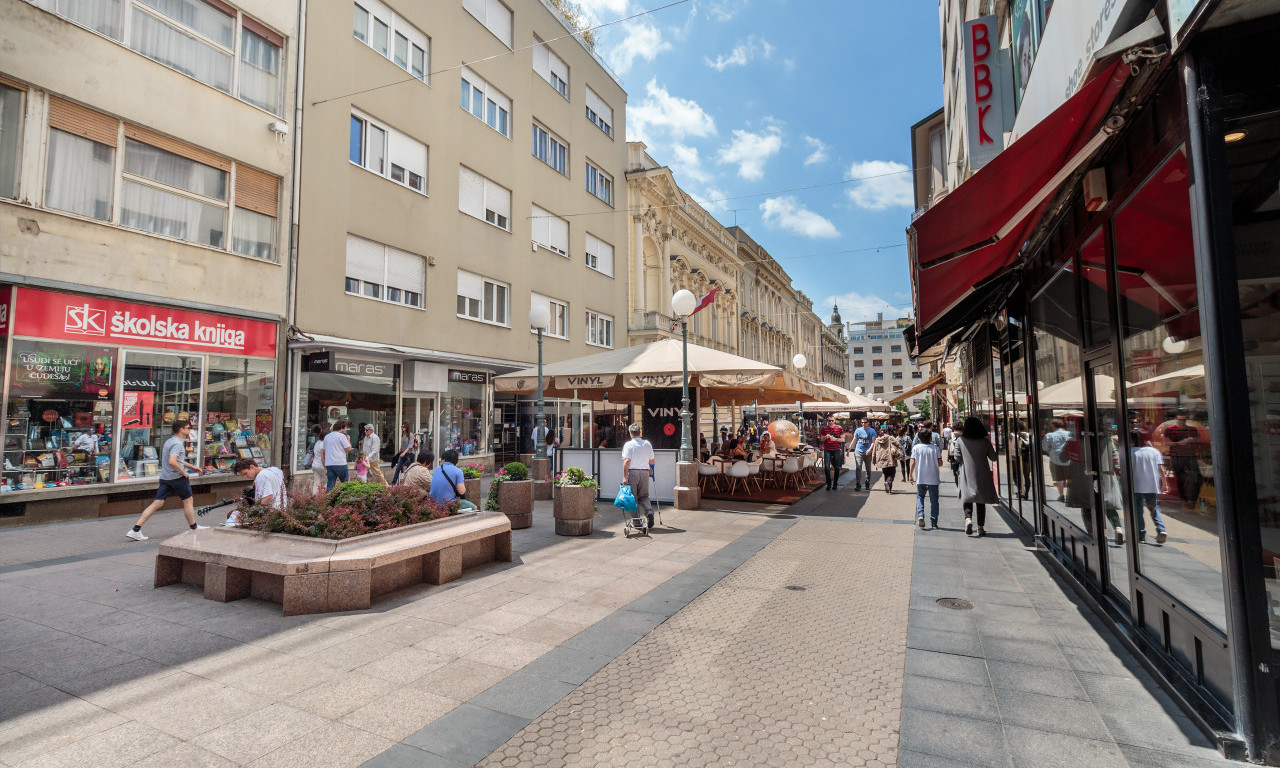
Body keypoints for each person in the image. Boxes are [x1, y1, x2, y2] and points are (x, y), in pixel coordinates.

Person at [126, 419, 207, 541]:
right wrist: (184, 472)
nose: (189, 430)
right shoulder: (177, 444)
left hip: (165, 478)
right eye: (188, 428)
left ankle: (135, 529)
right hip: (177, 478)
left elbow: (177, 460)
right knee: (188, 501)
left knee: (157, 503)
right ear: (181, 429)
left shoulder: (170, 441)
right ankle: (194, 527)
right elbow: (172, 461)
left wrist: (192, 467)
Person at [953, 417, 999, 537]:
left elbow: (957, 457)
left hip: (967, 473)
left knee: (967, 497)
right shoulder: (984, 441)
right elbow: (993, 457)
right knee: (980, 500)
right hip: (982, 474)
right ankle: (980, 527)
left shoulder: (960, 440)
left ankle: (968, 519)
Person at [1130, 431, 1168, 544]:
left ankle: (1141, 535)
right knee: (1154, 508)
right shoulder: (1154, 452)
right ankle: (1161, 529)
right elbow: (1161, 469)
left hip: (1136, 485)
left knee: (1138, 510)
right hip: (1151, 485)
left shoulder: (1131, 452)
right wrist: (1164, 483)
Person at [230, 458, 286, 525]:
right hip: (281, 511)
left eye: (245, 473)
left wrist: (249, 513)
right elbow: (278, 472)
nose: (245, 477)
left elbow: (267, 497)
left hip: (269, 514)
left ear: (252, 467)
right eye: (243, 476)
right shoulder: (272, 471)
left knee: (233, 517)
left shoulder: (262, 476)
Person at [1164, 409, 1201, 508]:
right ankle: (1184, 499)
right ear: (1176, 419)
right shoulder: (1170, 429)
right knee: (1180, 477)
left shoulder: (1192, 429)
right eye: (1180, 420)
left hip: (1190, 455)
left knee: (1196, 476)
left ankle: (1192, 499)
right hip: (1177, 456)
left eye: (1184, 420)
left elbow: (1198, 441)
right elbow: (1166, 443)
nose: (1182, 422)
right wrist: (1179, 443)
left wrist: (1193, 440)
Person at [621, 423, 656, 528]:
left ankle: (637, 522)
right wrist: (650, 470)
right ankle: (649, 512)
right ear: (639, 432)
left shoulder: (628, 445)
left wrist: (624, 476)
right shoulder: (647, 444)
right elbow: (652, 461)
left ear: (630, 433)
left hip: (633, 473)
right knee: (644, 496)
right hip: (645, 472)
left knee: (633, 498)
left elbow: (627, 461)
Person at [910, 425, 943, 529]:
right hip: (933, 477)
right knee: (934, 500)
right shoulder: (935, 448)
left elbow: (912, 462)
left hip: (921, 477)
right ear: (930, 437)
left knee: (920, 496)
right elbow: (940, 463)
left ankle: (920, 515)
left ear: (919, 437)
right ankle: (934, 521)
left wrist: (910, 475)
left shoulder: (916, 448)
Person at [1042, 418, 1072, 502]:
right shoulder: (1070, 434)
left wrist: (1051, 451)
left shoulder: (1049, 435)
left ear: (1052, 426)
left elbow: (1045, 448)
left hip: (1055, 460)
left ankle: (1061, 495)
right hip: (1069, 459)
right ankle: (1071, 495)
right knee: (1070, 478)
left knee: (1058, 479)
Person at [870, 429, 904, 493]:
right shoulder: (890, 438)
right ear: (887, 432)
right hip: (891, 459)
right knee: (892, 474)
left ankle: (887, 484)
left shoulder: (877, 440)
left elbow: (874, 451)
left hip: (881, 460)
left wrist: (873, 460)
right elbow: (898, 445)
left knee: (886, 474)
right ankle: (888, 484)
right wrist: (902, 454)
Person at [323, 420, 352, 490]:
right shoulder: (341, 436)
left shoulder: (327, 436)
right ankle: (345, 499)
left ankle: (329, 499)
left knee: (330, 484)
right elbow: (348, 448)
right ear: (342, 428)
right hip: (340, 463)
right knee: (345, 485)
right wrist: (348, 439)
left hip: (329, 463)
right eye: (344, 428)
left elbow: (324, 451)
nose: (344, 430)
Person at [819, 414, 845, 491]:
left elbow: (843, 440)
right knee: (827, 467)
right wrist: (825, 437)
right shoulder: (824, 428)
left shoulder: (839, 428)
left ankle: (835, 484)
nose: (830, 422)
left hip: (836, 449)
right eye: (829, 420)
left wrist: (835, 439)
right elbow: (821, 439)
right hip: (827, 449)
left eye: (832, 420)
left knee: (836, 467)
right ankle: (829, 484)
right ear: (827, 421)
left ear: (835, 420)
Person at [852, 417, 877, 491]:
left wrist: (870, 449)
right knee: (858, 467)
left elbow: (873, 442)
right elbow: (854, 440)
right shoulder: (858, 430)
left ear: (868, 423)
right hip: (858, 451)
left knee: (868, 469)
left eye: (865, 422)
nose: (863, 424)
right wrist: (849, 449)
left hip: (867, 452)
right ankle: (858, 484)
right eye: (862, 422)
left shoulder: (872, 431)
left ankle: (867, 482)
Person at [308, 424, 326, 490]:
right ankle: (323, 493)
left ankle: (315, 496)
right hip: (321, 465)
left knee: (316, 483)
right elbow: (323, 457)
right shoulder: (323, 444)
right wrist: (325, 468)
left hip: (314, 465)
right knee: (330, 479)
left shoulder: (317, 442)